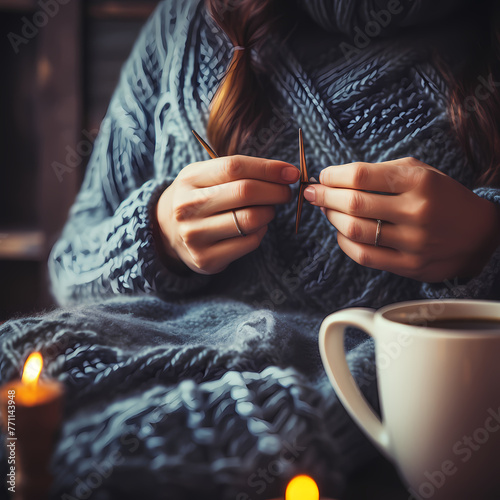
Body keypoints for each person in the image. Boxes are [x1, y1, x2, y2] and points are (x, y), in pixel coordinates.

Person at [1, 0, 500, 498]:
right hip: (150, 354)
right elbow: (71, 264)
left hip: (406, 415)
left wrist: (484, 239)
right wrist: (156, 235)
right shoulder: (190, 20)